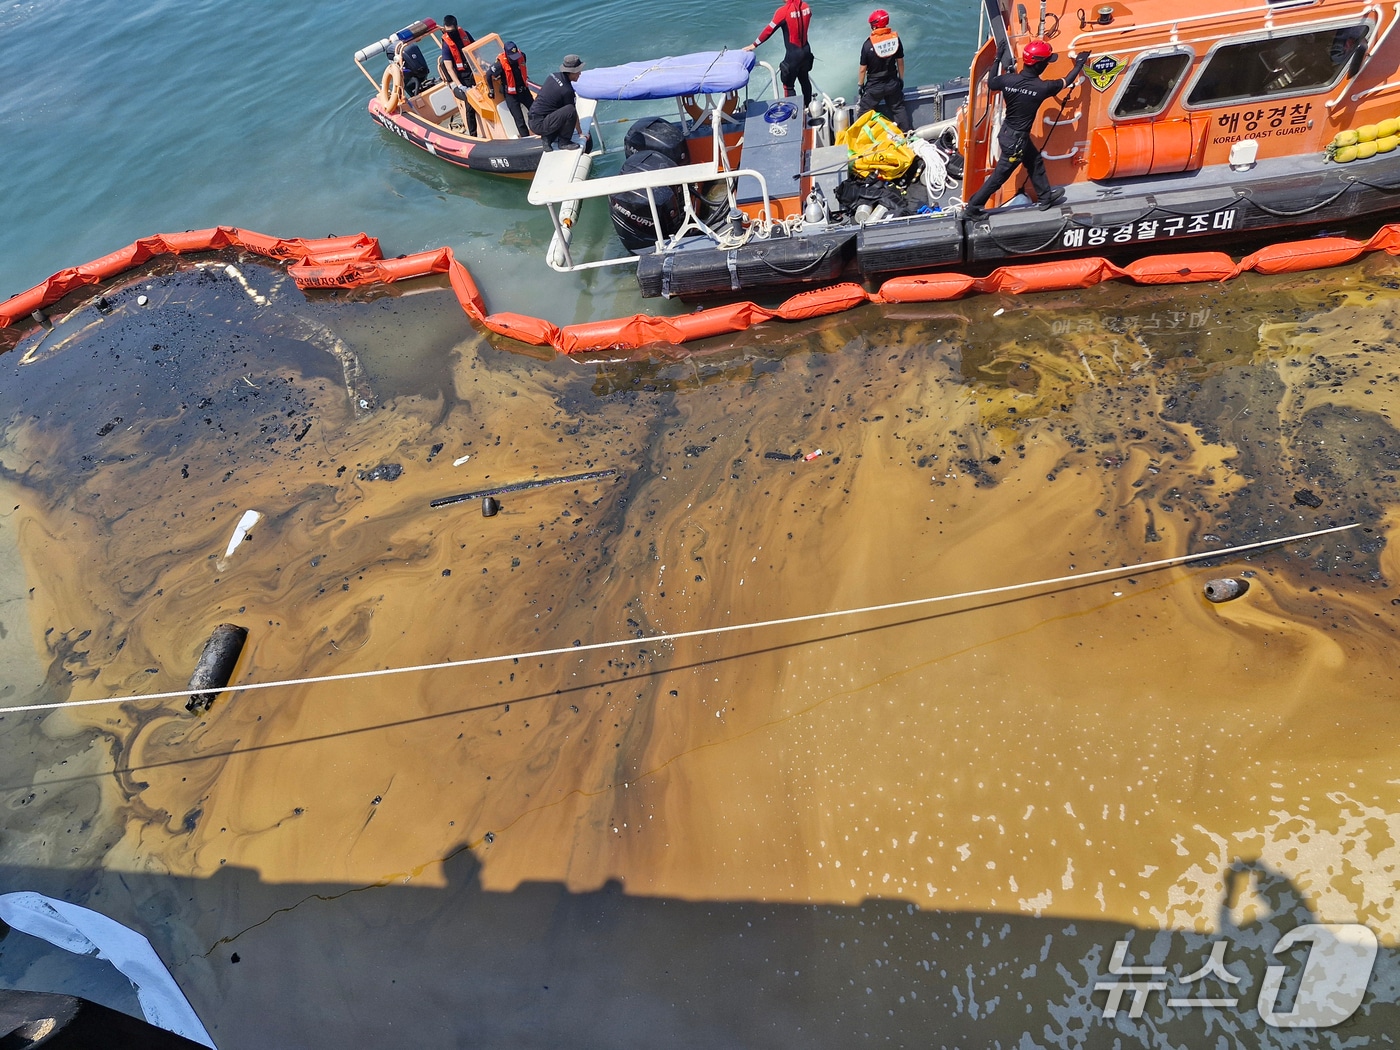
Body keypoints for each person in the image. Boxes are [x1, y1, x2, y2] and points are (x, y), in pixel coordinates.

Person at [962, 40, 1089, 216]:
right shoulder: (1042, 87)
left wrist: (997, 58)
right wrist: (1079, 64)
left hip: (1008, 134)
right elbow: (1066, 81)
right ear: (1038, 65)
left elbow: (991, 83)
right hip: (1016, 143)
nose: (1046, 64)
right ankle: (973, 208)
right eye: (1046, 62)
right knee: (999, 177)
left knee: (1034, 161)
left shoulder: (1008, 80)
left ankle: (1045, 198)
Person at [743, 0, 815, 110]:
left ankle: (794, 114)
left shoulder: (783, 12)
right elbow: (805, 17)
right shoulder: (806, 6)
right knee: (804, 79)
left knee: (788, 85)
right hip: (806, 52)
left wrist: (754, 45)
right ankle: (809, 109)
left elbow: (769, 30)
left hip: (793, 56)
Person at [856, 9, 908, 130]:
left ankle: (863, 138)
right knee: (899, 108)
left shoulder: (868, 45)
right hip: (892, 84)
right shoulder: (895, 40)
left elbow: (862, 70)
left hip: (874, 87)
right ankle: (906, 133)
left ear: (874, 26)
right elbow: (900, 62)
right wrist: (900, 79)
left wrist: (860, 85)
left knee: (863, 114)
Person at [529, 55, 586, 150]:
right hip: (540, 125)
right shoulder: (567, 90)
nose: (580, 74)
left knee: (561, 107)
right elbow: (572, 113)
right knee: (570, 110)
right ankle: (564, 142)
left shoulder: (553, 76)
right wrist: (580, 133)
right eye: (578, 71)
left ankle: (547, 138)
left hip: (534, 119)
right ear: (570, 72)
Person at [438, 14, 478, 136]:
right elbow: (449, 68)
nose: (451, 34)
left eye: (452, 31)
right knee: (470, 105)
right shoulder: (446, 46)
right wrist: (460, 85)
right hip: (463, 77)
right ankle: (473, 134)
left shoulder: (465, 35)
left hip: (474, 70)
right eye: (448, 31)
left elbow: (476, 50)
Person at [488, 41, 534, 137]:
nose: (515, 59)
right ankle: (526, 139)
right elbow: (489, 75)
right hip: (511, 95)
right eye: (512, 57)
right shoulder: (499, 65)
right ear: (506, 54)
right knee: (519, 120)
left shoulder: (522, 56)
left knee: (536, 111)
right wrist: (491, 90)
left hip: (524, 90)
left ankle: (542, 130)